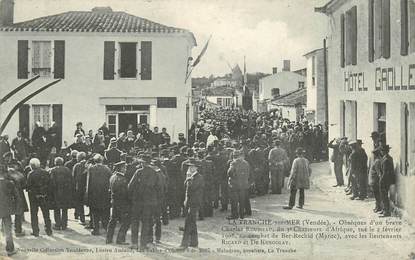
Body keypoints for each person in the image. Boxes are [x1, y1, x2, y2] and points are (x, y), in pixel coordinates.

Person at [128, 154, 161, 251]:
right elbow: (158, 187)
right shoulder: (154, 173)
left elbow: (130, 186)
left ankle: (134, 243)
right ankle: (143, 244)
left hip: (137, 201)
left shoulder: (138, 172)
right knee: (146, 223)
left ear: (142, 163)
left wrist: (132, 197)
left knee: (135, 222)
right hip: (149, 202)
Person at [178, 162, 204, 250]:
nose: (190, 168)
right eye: (189, 167)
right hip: (191, 202)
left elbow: (191, 188)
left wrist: (188, 178)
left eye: (192, 167)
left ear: (196, 168)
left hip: (194, 203)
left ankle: (184, 244)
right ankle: (194, 242)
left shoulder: (198, 177)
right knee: (192, 223)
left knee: (188, 223)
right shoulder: (193, 177)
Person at [86, 154, 112, 235]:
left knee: (95, 212)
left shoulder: (91, 169)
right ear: (102, 160)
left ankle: (96, 229)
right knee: (105, 211)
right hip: (104, 194)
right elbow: (110, 182)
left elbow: (88, 182)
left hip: (94, 194)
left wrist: (87, 194)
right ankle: (105, 227)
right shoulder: (107, 169)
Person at [26, 158, 52, 236]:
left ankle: (35, 231)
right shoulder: (45, 172)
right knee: (46, 214)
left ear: (32, 166)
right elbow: (49, 184)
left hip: (34, 197)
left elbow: (28, 186)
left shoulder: (31, 174)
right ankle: (49, 230)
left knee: (34, 214)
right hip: (44, 196)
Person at [106, 161, 130, 245]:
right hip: (122, 203)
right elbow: (124, 193)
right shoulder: (122, 179)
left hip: (114, 202)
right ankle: (120, 239)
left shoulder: (113, 177)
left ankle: (108, 239)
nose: (125, 169)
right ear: (120, 168)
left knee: (112, 220)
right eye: (124, 167)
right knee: (126, 221)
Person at [49, 157, 74, 230]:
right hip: (65, 193)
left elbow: (51, 182)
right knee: (64, 209)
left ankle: (57, 224)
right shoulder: (67, 170)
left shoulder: (52, 170)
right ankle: (64, 224)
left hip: (56, 192)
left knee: (56, 209)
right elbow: (71, 182)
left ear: (55, 162)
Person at [0, 164, 18, 256]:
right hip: (6, 209)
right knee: (8, 229)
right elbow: (16, 196)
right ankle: (10, 249)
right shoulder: (9, 182)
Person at [6, 159, 28, 237]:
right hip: (18, 195)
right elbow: (25, 185)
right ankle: (18, 230)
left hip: (7, 196)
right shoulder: (19, 175)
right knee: (18, 213)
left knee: (6, 214)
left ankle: (5, 230)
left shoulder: (5, 175)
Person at [226, 149, 250, 220]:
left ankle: (234, 215)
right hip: (243, 183)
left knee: (234, 200)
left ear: (234, 156)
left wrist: (232, 177)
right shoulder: (246, 163)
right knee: (242, 199)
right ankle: (242, 214)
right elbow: (248, 173)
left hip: (235, 184)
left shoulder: (233, 163)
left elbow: (229, 172)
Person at [379, 145, 395, 217]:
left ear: (384, 151)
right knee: (385, 195)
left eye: (382, 150)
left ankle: (386, 211)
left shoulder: (385, 160)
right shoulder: (389, 158)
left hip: (385, 180)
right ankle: (385, 210)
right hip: (389, 179)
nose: (381, 152)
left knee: (384, 196)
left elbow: (385, 172)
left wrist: (381, 180)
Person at [72, 151, 87, 224]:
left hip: (79, 187)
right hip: (87, 187)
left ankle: (82, 218)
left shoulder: (77, 166)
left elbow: (74, 177)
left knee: (80, 203)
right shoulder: (88, 165)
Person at [369, 148, 382, 213]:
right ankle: (377, 207)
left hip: (375, 181)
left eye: (374, 154)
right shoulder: (377, 161)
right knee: (376, 194)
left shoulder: (377, 161)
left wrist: (380, 180)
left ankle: (378, 207)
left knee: (377, 195)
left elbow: (378, 172)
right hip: (374, 180)